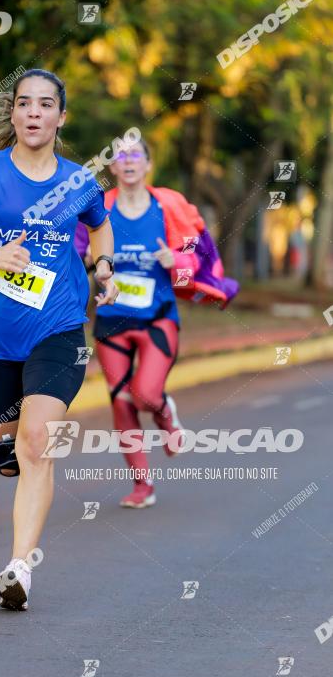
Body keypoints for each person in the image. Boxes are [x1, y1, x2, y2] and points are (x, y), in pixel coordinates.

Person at [0, 68, 118, 611]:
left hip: (58, 331)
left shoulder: (80, 181)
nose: (34, 112)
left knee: (38, 444)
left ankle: (19, 569)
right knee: (8, 449)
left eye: (45, 104)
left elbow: (99, 225)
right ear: (13, 114)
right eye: (24, 103)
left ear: (61, 116)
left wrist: (102, 265)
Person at [75, 138, 238, 508]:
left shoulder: (170, 206)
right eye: (120, 156)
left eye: (136, 155)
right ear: (113, 168)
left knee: (145, 394)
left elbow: (195, 265)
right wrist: (89, 261)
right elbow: (78, 255)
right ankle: (142, 485)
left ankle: (166, 414)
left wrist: (174, 263)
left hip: (158, 319)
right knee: (120, 402)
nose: (128, 161)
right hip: (112, 321)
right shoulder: (100, 208)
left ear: (148, 164)